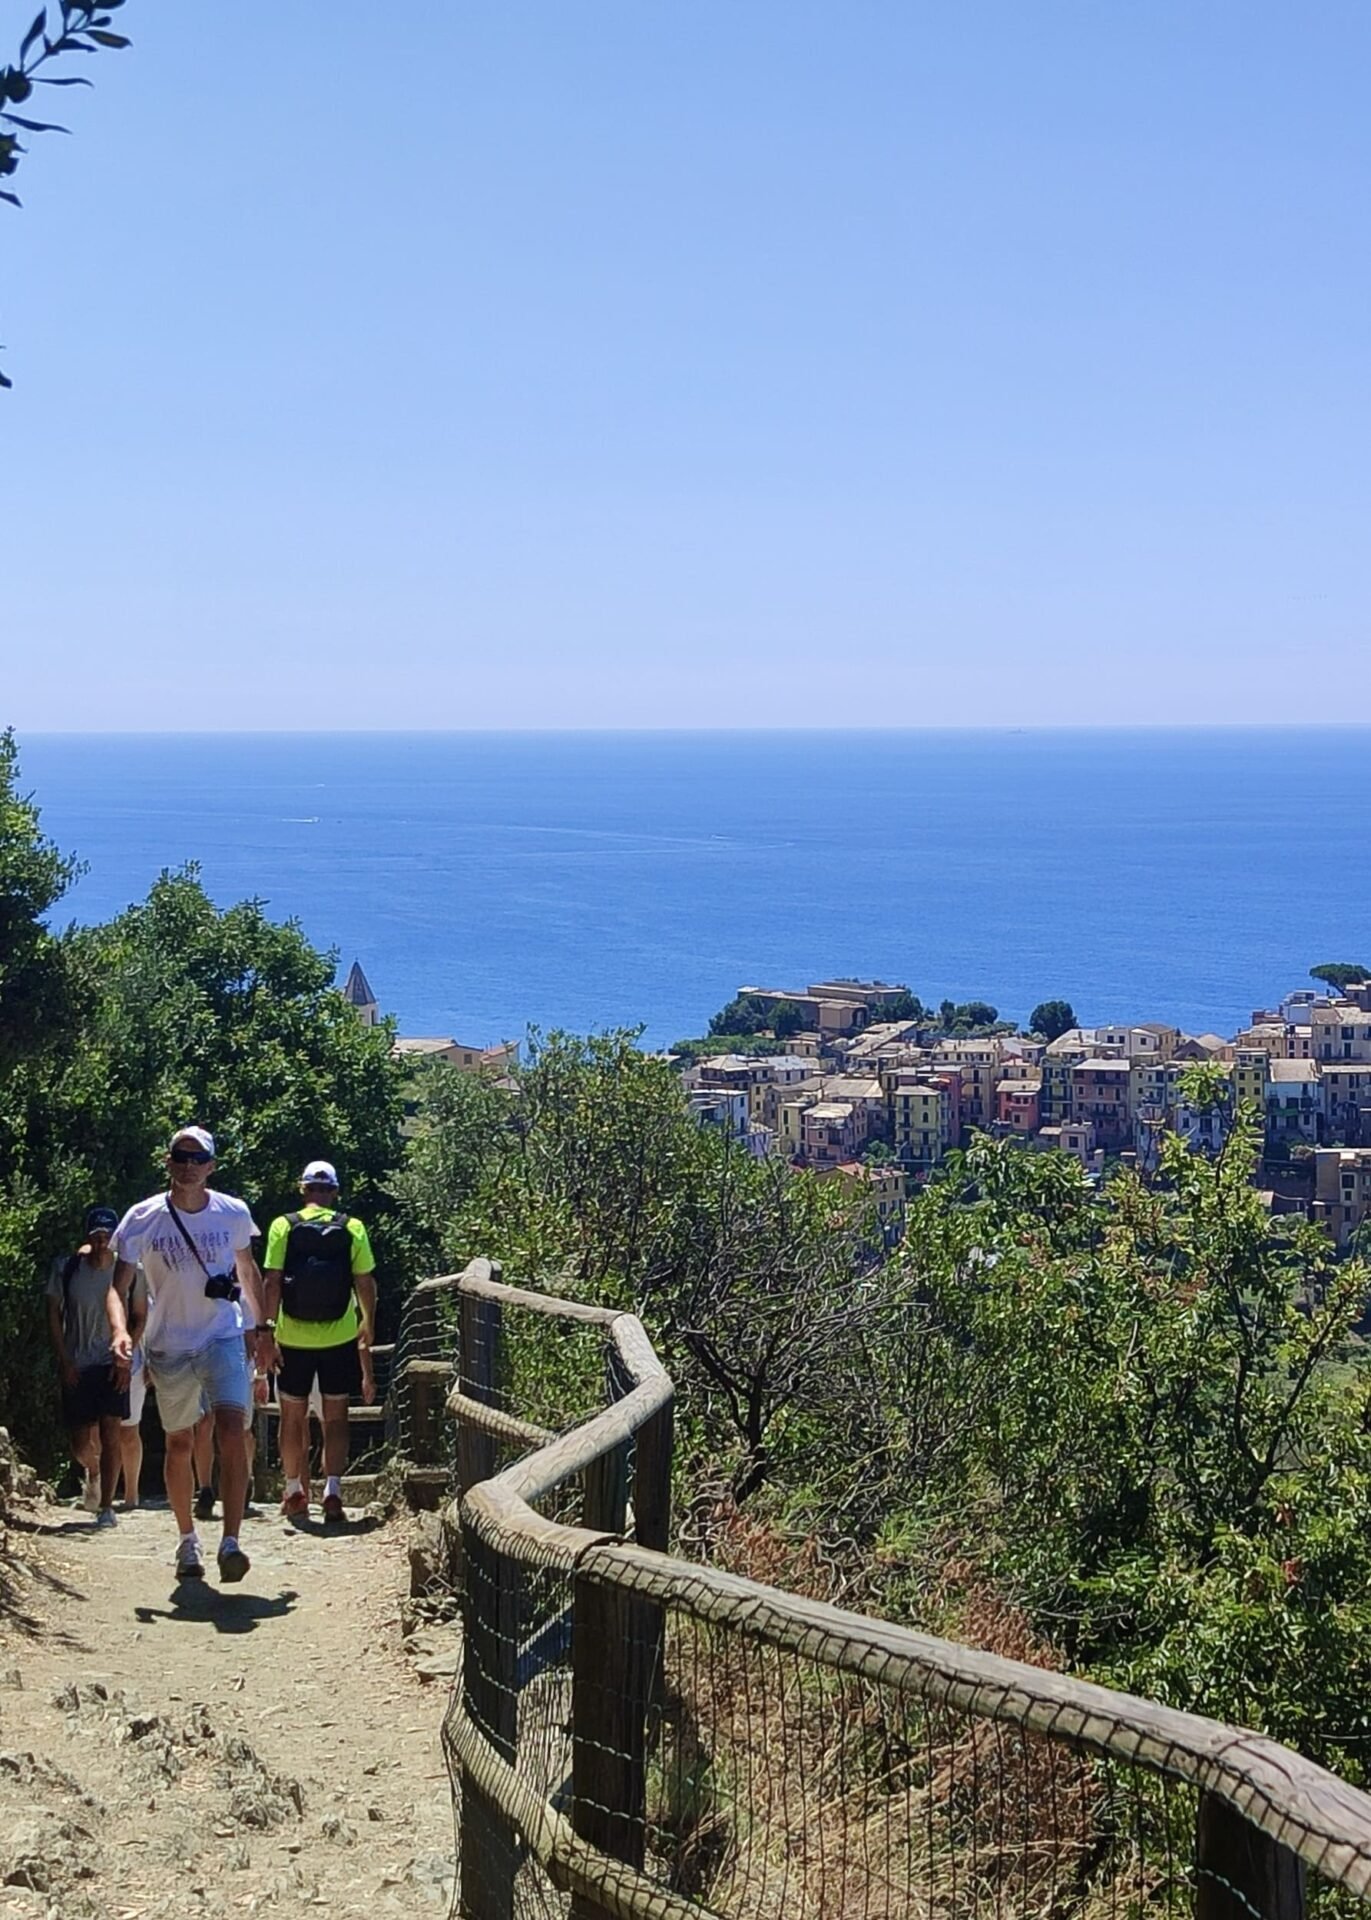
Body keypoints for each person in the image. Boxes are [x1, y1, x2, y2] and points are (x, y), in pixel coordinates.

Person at [111, 1127, 270, 1584]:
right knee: (179, 1442)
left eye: (196, 1158)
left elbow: (247, 1268)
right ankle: (187, 1540)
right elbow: (118, 1286)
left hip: (221, 1334)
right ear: (168, 1161)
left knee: (231, 1430)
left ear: (211, 1166)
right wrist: (121, 1330)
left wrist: (263, 1328)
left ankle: (231, 1541)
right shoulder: (143, 1217)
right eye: (180, 1156)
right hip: (168, 1344)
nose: (187, 1165)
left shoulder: (232, 1212)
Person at [260, 1160, 377, 1524]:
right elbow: (365, 1281)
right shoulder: (352, 1227)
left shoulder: (284, 1225)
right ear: (335, 1191)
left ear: (303, 1188)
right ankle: (333, 1492)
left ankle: (294, 1490)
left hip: (292, 1336)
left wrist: (267, 1329)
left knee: (292, 1417)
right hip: (339, 1337)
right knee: (336, 1418)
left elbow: (272, 1280)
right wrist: (368, 1324)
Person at [44, 1205, 131, 1529]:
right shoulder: (67, 1268)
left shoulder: (126, 1271)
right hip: (77, 1361)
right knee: (81, 1442)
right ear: (89, 1236)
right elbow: (53, 1312)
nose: (102, 1242)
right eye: (97, 1235)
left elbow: (139, 1315)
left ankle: (107, 1505)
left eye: (108, 1236)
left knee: (111, 1431)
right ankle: (92, 1471)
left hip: (111, 1362)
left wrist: (127, 1356)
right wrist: (64, 1359)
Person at [117, 1269, 149, 1508]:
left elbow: (148, 1318)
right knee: (98, 1430)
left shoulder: (138, 1274)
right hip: (97, 1356)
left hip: (136, 1360)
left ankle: (131, 1493)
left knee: (129, 1429)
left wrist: (149, 1361)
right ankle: (98, 1487)